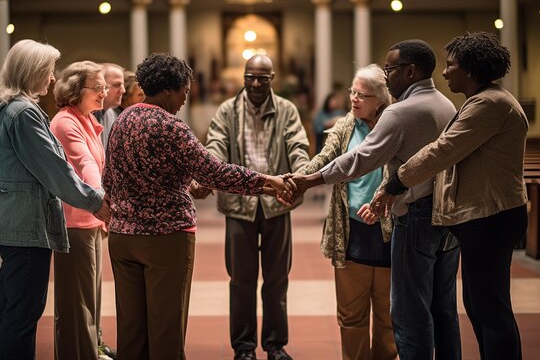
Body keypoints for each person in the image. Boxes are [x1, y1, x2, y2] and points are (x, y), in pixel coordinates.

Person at [102, 53, 293, 360]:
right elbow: (216, 172)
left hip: (123, 237)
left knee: (131, 331)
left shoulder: (122, 120)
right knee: (166, 330)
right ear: (168, 90)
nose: (183, 100)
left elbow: (109, 179)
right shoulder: (171, 127)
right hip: (164, 240)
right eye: (184, 93)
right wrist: (268, 182)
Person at [283, 40, 462, 360]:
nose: (388, 75)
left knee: (407, 314)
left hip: (411, 218)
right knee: (440, 308)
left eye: (391, 69)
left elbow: (360, 159)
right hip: (441, 218)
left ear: (410, 71)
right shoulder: (446, 105)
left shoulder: (400, 112)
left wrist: (308, 182)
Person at [371, 32, 528, 360]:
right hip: (486, 217)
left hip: (492, 218)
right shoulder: (483, 100)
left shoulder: (489, 103)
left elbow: (443, 150)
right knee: (477, 304)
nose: (444, 73)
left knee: (490, 308)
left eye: (451, 65)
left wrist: (396, 182)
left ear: (470, 70)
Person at [0, 39, 110, 360]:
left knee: (8, 311)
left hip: (16, 224)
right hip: (28, 226)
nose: (53, 78)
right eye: (49, 70)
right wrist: (97, 203)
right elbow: (55, 171)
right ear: (32, 72)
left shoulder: (8, 108)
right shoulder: (24, 113)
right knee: (22, 315)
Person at [192, 54, 310, 360]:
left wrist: (302, 176)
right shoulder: (227, 111)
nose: (256, 83)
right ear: (243, 78)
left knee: (276, 280)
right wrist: (209, 172)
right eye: (250, 77)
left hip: (276, 205)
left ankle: (275, 345)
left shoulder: (286, 110)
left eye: (263, 78)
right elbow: (216, 144)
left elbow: (297, 145)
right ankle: (243, 348)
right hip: (238, 206)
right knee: (241, 281)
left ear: (272, 79)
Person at [301, 64, 395, 360]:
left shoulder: (395, 123)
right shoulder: (344, 126)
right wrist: (296, 180)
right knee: (351, 316)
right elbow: (324, 160)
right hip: (350, 231)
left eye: (362, 95)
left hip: (388, 232)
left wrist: (384, 202)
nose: (353, 99)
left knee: (387, 317)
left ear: (380, 99)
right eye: (352, 92)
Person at [49, 61, 113, 360]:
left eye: (105, 87)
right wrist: (100, 198)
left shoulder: (87, 119)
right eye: (97, 88)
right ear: (76, 89)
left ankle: (91, 351)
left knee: (91, 299)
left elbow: (99, 163)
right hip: (73, 222)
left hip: (90, 220)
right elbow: (85, 162)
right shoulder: (65, 121)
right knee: (77, 304)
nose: (104, 93)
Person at [94, 63, 125, 149]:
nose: (123, 90)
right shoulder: (88, 114)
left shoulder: (113, 115)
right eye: (116, 85)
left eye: (122, 85)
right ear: (100, 86)